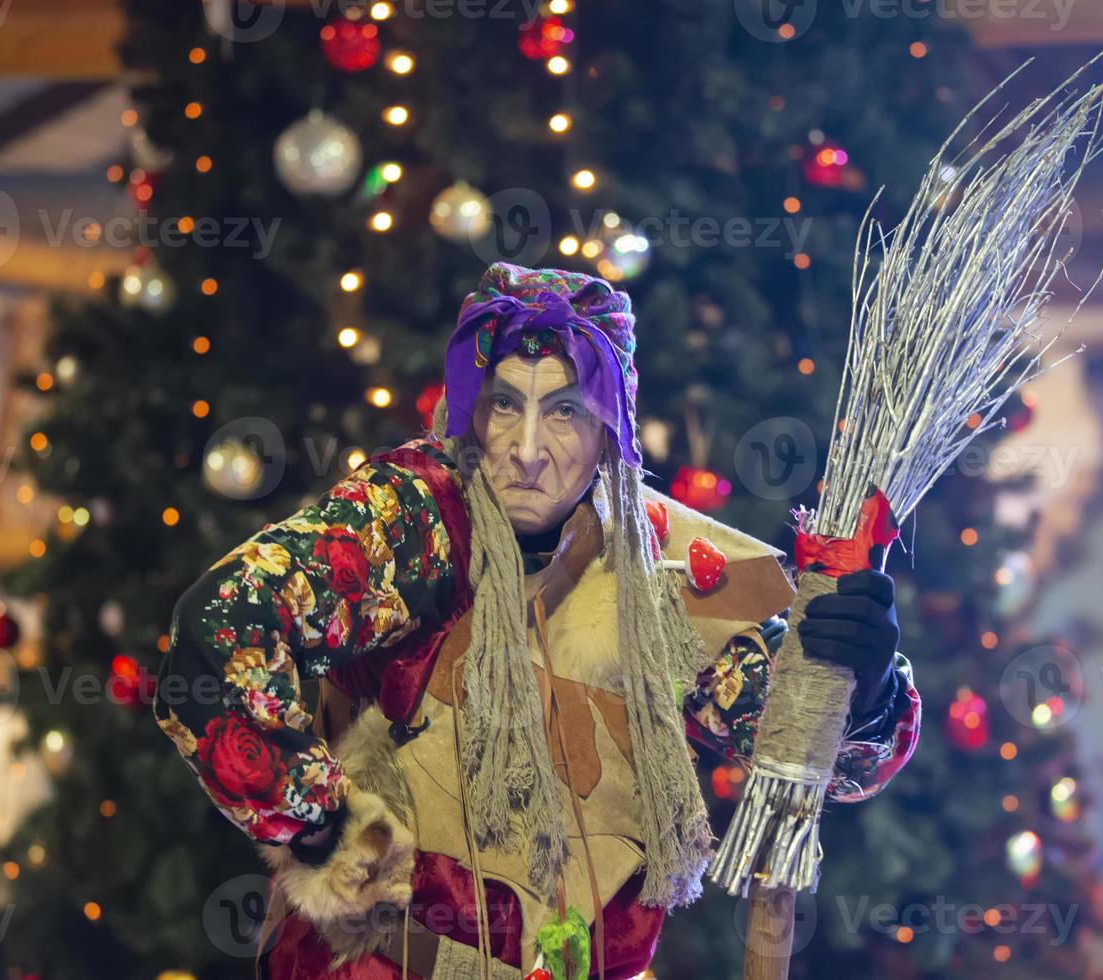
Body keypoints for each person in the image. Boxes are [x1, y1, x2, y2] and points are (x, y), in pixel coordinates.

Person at [154, 263, 920, 979]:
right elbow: (218, 631)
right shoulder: (413, 518)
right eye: (504, 405)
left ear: (609, 429)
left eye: (564, 410)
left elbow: (812, 755)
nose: (526, 451)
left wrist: (870, 684)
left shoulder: (669, 564)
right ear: (469, 410)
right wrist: (327, 832)